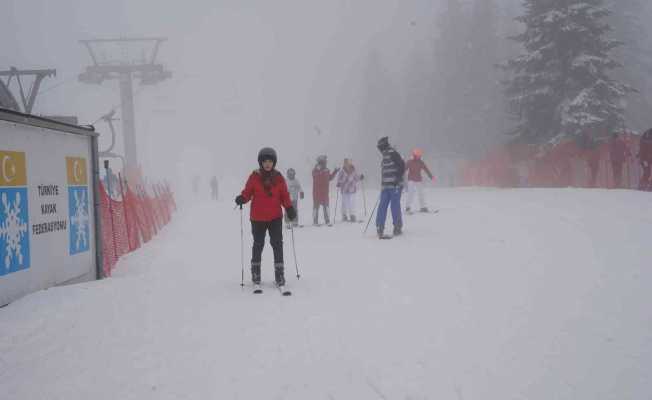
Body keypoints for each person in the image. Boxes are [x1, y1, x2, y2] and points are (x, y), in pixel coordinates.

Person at [235, 147, 296, 289]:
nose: (267, 164)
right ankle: (256, 273)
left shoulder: (279, 178)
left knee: (277, 244)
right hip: (257, 218)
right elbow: (247, 193)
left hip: (275, 217)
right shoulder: (254, 177)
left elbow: (284, 196)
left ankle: (279, 274)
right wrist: (242, 198)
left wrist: (289, 208)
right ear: (260, 162)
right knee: (258, 245)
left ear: (274, 163)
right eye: (265, 161)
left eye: (270, 161)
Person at [375, 137, 405, 238]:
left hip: (395, 186)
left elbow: (402, 166)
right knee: (382, 206)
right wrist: (383, 184)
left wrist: (397, 179)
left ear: (383, 146)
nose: (379, 149)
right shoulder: (384, 156)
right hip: (386, 187)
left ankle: (397, 226)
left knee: (394, 206)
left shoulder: (393, 153)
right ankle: (380, 226)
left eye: (379, 147)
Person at [312, 155, 339, 226]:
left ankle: (327, 220)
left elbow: (330, 178)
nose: (326, 163)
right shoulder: (315, 170)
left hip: (325, 193)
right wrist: (319, 170)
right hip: (317, 193)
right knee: (316, 207)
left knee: (326, 207)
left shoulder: (327, 170)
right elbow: (315, 176)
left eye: (326, 162)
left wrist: (335, 171)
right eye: (325, 161)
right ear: (321, 162)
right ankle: (315, 221)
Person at [405, 148, 435, 213]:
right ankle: (408, 207)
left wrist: (431, 177)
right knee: (411, 193)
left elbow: (426, 169)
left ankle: (423, 207)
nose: (419, 156)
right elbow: (404, 169)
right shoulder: (409, 162)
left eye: (420, 155)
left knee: (421, 193)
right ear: (415, 155)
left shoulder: (421, 162)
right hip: (411, 180)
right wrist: (398, 176)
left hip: (418, 179)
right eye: (418, 155)